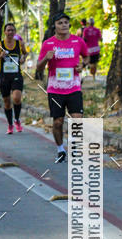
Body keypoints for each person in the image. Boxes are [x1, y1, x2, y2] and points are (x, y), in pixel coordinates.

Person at [36, 12, 89, 163]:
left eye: (66, 22)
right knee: (58, 121)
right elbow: (39, 68)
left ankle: (74, 147)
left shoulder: (78, 41)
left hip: (74, 87)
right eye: (60, 23)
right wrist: (46, 59)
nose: (64, 25)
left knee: (77, 119)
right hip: (55, 89)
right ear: (55, 26)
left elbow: (86, 56)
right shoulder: (48, 44)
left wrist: (83, 65)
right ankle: (60, 150)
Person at [0, 23, 27, 133]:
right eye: (8, 30)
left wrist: (23, 58)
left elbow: (25, 53)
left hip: (16, 75)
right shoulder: (0, 44)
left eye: (12, 30)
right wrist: (0, 56)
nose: (10, 32)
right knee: (7, 102)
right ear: (4, 32)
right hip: (3, 76)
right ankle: (10, 125)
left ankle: (17, 120)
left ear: (15, 32)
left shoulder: (19, 43)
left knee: (16, 98)